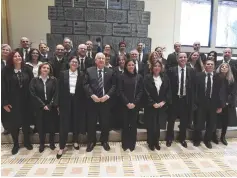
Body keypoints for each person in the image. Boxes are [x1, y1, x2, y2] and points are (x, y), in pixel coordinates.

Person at [2, 51, 34, 155]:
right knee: (13, 123)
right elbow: (2, 88)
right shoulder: (5, 71)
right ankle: (16, 144)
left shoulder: (27, 69)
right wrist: (4, 102)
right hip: (12, 102)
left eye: (19, 56)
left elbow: (32, 84)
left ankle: (27, 142)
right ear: (11, 58)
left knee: (26, 122)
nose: (17, 57)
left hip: (26, 101)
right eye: (15, 56)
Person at [84, 52, 116, 152]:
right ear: (95, 60)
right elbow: (85, 84)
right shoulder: (89, 70)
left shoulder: (110, 71)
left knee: (105, 122)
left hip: (105, 102)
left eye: (103, 58)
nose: (101, 60)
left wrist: (107, 96)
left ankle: (104, 141)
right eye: (99, 58)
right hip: (92, 101)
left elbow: (114, 86)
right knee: (91, 122)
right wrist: (92, 95)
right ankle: (91, 142)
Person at [57, 56, 86, 159]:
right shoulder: (63, 73)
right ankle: (61, 146)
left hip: (77, 102)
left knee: (75, 122)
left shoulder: (82, 74)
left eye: (76, 62)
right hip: (65, 102)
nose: (74, 63)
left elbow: (83, 90)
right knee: (64, 124)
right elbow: (58, 90)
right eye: (72, 62)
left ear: (78, 64)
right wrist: (58, 104)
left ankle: (75, 141)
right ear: (69, 63)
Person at [166, 52, 196, 148]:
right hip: (174, 100)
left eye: (184, 57)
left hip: (185, 100)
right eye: (180, 57)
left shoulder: (191, 71)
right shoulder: (171, 70)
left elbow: (193, 87)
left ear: (187, 59)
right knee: (171, 121)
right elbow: (168, 86)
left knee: (184, 122)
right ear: (177, 59)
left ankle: (182, 138)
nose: (183, 59)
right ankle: (169, 138)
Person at [193, 60, 223, 149]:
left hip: (213, 104)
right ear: (204, 65)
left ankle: (207, 140)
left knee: (211, 124)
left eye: (211, 64)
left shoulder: (218, 77)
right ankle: (197, 139)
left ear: (214, 66)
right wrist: (195, 102)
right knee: (199, 123)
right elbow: (195, 90)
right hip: (201, 104)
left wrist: (220, 105)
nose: (209, 65)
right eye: (208, 64)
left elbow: (220, 92)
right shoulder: (198, 76)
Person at [29, 63, 58, 153]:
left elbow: (56, 93)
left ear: (50, 70)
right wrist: (42, 105)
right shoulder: (34, 80)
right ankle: (42, 143)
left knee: (52, 125)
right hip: (39, 107)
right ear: (40, 69)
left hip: (51, 106)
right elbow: (32, 94)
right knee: (41, 126)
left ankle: (52, 143)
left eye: (48, 68)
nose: (46, 69)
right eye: (44, 67)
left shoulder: (54, 80)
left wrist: (50, 104)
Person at [144, 60, 171, 151]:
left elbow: (168, 91)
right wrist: (153, 103)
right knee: (151, 126)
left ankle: (156, 142)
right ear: (152, 67)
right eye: (155, 66)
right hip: (151, 106)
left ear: (161, 68)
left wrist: (163, 102)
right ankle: (150, 142)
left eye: (159, 66)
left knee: (158, 126)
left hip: (161, 106)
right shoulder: (147, 78)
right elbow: (145, 92)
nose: (157, 68)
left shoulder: (165, 78)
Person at [119, 59, 143, 151]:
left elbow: (140, 91)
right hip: (124, 105)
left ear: (135, 66)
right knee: (125, 125)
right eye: (129, 65)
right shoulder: (121, 76)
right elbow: (120, 91)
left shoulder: (139, 77)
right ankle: (125, 144)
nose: (131, 66)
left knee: (133, 125)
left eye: (132, 65)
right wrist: (127, 103)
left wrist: (134, 103)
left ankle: (132, 144)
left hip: (135, 105)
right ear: (126, 66)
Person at [213, 63, 237, 145]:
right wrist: (219, 104)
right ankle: (214, 136)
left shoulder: (231, 79)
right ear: (219, 68)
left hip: (227, 104)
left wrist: (227, 102)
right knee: (216, 121)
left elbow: (233, 92)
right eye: (222, 66)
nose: (224, 68)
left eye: (226, 67)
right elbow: (215, 91)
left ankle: (223, 137)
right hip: (217, 103)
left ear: (228, 69)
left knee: (225, 122)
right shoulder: (216, 77)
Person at [111, 55, 126, 129]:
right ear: (118, 61)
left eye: (123, 59)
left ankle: (123, 126)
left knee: (123, 112)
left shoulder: (127, 69)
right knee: (116, 111)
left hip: (125, 96)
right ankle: (115, 126)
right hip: (116, 96)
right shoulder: (114, 70)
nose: (121, 61)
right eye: (120, 60)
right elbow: (112, 83)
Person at [1, 44, 11, 135]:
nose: (5, 51)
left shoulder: (11, 63)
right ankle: (6, 127)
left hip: (9, 89)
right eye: (3, 49)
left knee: (10, 108)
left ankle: (13, 126)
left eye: (7, 50)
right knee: (2, 110)